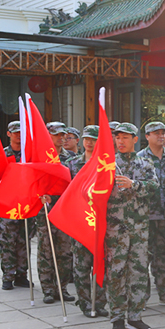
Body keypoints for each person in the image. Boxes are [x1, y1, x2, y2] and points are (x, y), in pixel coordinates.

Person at [106, 123, 159, 329]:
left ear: (135, 140)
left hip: (138, 228)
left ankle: (135, 316)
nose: (120, 141)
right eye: (118, 137)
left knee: (138, 271)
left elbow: (154, 187)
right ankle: (117, 318)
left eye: (125, 137)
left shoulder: (145, 163)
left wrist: (133, 184)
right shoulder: (108, 164)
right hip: (115, 229)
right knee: (116, 272)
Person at [66, 125, 109, 317]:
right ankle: (84, 302)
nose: (89, 142)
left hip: (100, 220)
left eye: (93, 139)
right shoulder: (72, 163)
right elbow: (65, 190)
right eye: (86, 139)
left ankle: (99, 303)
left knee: (100, 264)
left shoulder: (106, 163)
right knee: (81, 266)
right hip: (80, 221)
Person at [136, 122, 165, 307]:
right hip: (146, 216)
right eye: (156, 133)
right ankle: (141, 298)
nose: (161, 136)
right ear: (147, 136)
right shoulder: (139, 158)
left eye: (164, 133)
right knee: (142, 258)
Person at [0, 121, 32, 290]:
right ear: (8, 134)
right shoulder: (2, 154)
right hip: (7, 204)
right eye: (15, 132)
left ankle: (22, 275)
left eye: (21, 132)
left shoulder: (29, 154)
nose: (19, 136)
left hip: (26, 203)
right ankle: (8, 276)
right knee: (7, 241)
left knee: (24, 240)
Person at [36, 122, 75, 305]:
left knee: (65, 251)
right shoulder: (39, 157)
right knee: (46, 250)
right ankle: (48, 289)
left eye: (63, 135)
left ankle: (62, 287)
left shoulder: (71, 158)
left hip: (65, 209)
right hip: (45, 209)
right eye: (56, 135)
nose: (61, 138)